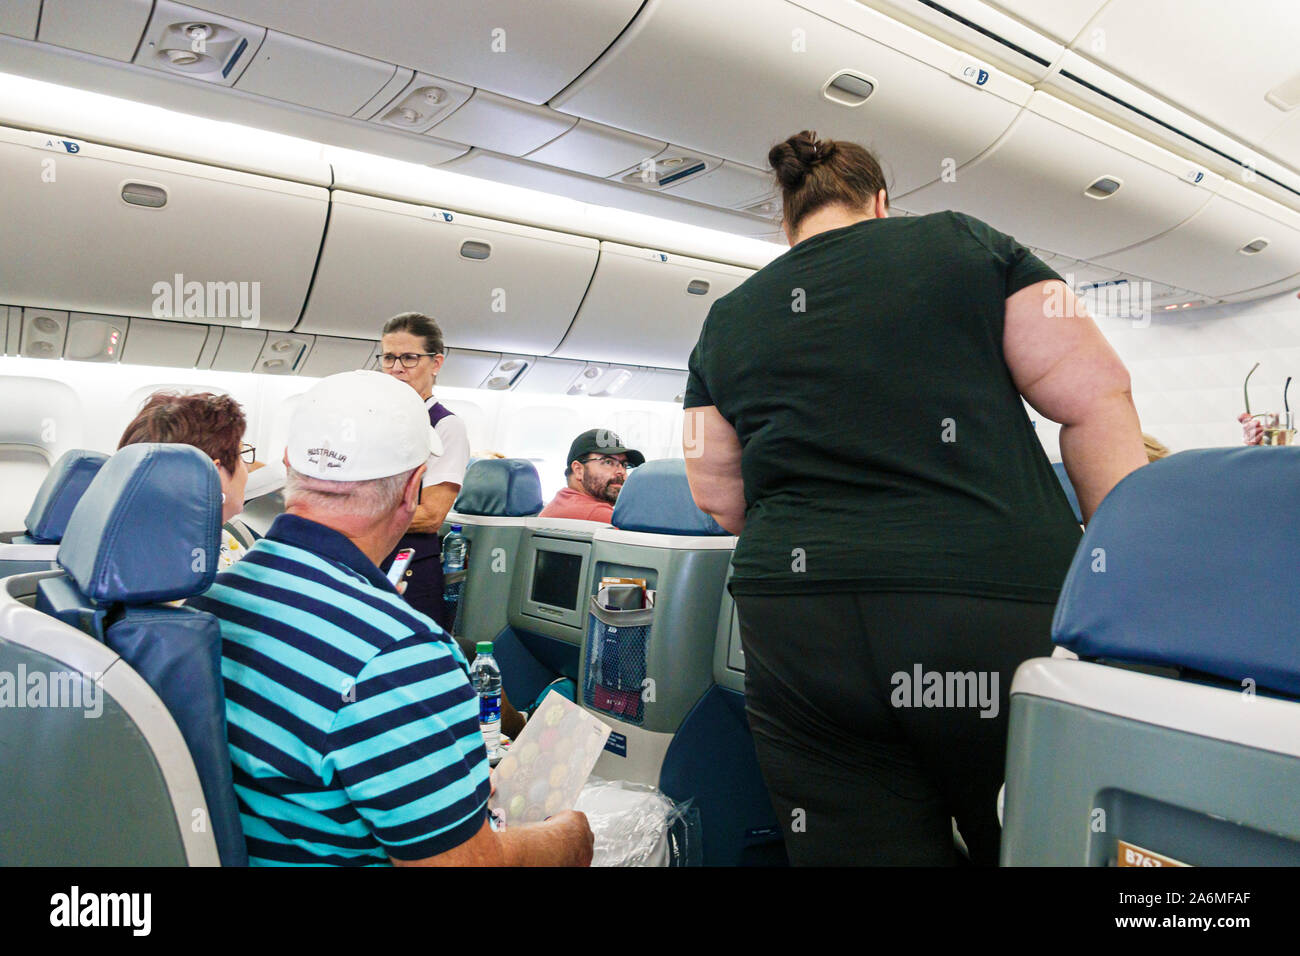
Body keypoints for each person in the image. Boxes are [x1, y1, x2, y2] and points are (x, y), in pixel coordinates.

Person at [682, 130, 1147, 866]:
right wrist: (1117, 579)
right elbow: (1096, 399)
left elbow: (718, 495)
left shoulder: (729, 317)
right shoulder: (965, 244)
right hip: (984, 607)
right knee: (1035, 836)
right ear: (881, 203)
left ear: (787, 221)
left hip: (800, 633)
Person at [188, 370, 592, 866]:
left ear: (290, 466)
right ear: (412, 491)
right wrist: (566, 841)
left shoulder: (215, 595)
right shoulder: (400, 652)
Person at [377, 312, 472, 632]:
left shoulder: (447, 427)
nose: (396, 368)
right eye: (389, 357)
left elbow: (431, 515)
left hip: (410, 566)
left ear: (436, 363)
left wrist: (354, 517)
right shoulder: (374, 418)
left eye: (409, 357)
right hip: (369, 560)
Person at [117, 391, 257, 570]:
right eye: (242, 455)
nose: (248, 468)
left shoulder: (133, 544)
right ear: (211, 477)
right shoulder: (195, 566)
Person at [538, 429, 645, 522]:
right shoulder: (597, 515)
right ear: (578, 470)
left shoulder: (561, 502)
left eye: (624, 465)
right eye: (608, 462)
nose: (621, 471)